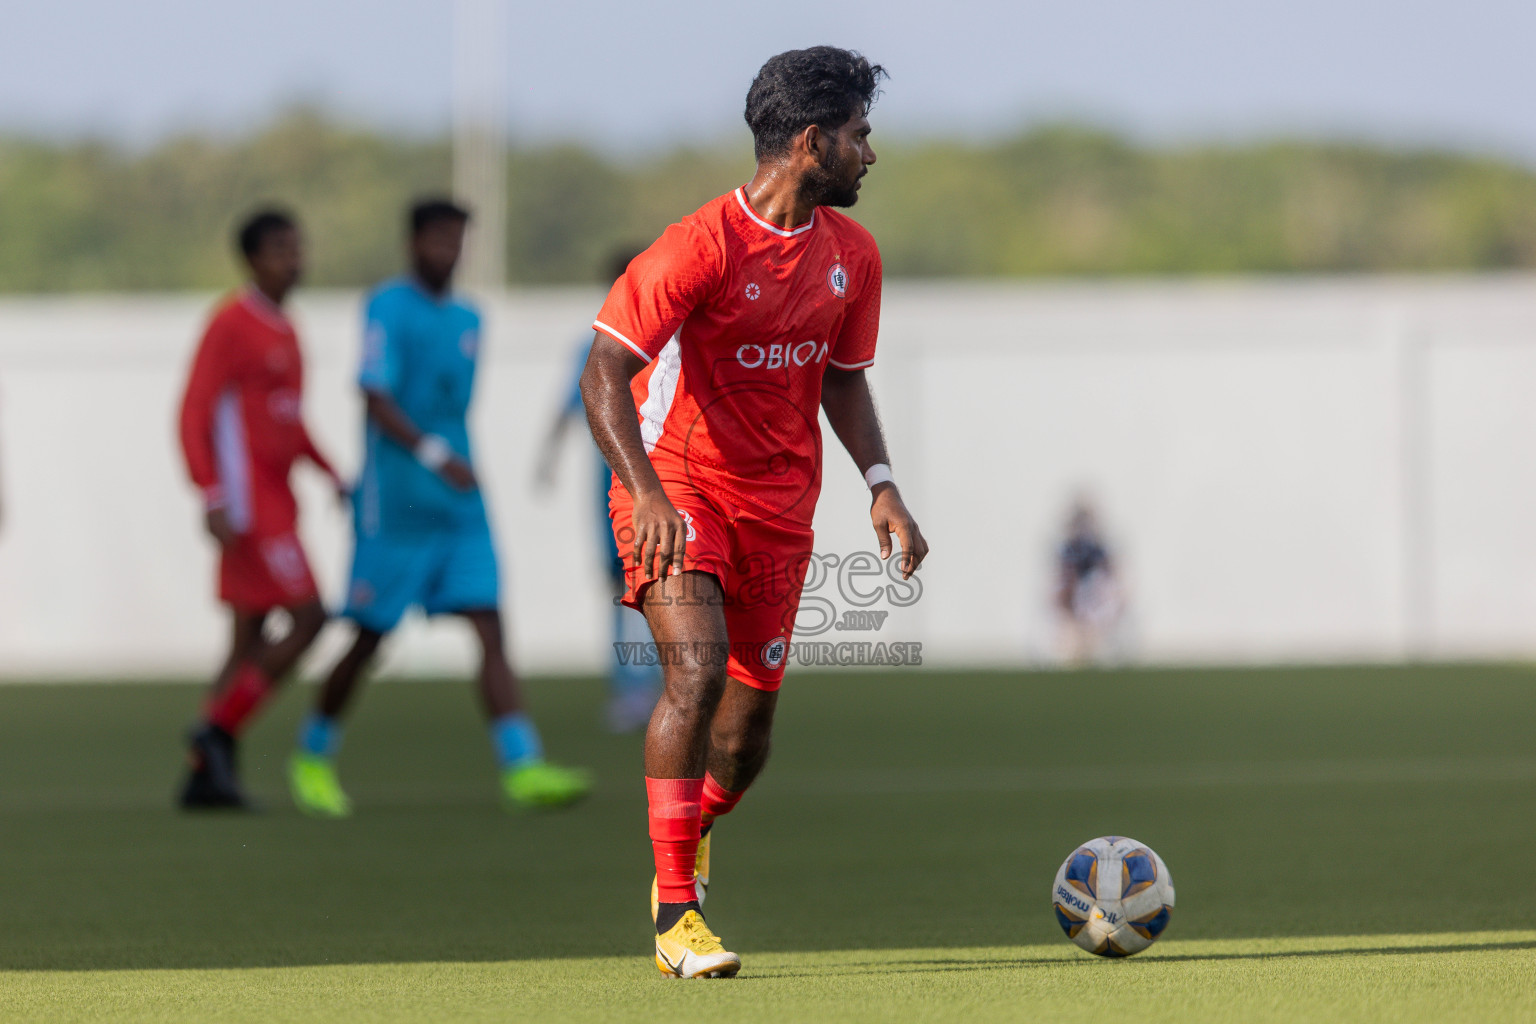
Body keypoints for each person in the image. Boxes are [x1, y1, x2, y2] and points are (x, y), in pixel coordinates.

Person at [582, 47, 930, 978]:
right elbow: (604, 372)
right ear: (812, 142)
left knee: (743, 741)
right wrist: (648, 492)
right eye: (860, 135)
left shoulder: (854, 257)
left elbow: (844, 382)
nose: (870, 153)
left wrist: (883, 483)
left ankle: (688, 835)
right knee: (692, 675)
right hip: (678, 490)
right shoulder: (698, 246)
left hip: (781, 512)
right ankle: (674, 915)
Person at [287, 198, 591, 817]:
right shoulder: (386, 307)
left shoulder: (471, 317)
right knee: (370, 638)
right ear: (413, 243)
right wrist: (431, 453)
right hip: (395, 506)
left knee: (490, 626)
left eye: (457, 239)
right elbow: (373, 395)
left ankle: (523, 765)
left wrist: (450, 460)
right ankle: (312, 753)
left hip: (459, 503)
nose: (448, 250)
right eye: (437, 238)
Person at [176, 208, 344, 809]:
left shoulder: (286, 329)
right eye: (279, 250)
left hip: (279, 499)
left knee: (246, 640)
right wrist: (211, 494)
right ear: (251, 259)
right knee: (309, 616)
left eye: (297, 248)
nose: (293, 260)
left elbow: (287, 421)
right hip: (249, 508)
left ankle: (206, 770)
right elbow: (194, 411)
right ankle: (217, 732)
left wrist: (330, 475)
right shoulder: (231, 323)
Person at [534, 246, 664, 734]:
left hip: (670, 482)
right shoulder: (599, 344)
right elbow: (574, 403)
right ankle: (630, 687)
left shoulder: (672, 339)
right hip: (612, 487)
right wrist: (547, 458)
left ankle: (668, 686)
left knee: (671, 584)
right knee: (619, 588)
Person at [1054, 498, 1126, 665]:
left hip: (1099, 616)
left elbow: (1114, 588)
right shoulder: (1067, 553)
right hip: (1075, 617)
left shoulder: (1101, 552)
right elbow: (1061, 591)